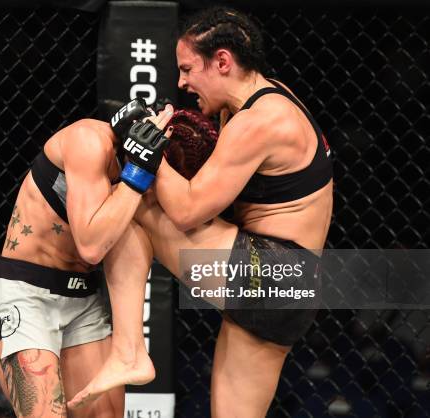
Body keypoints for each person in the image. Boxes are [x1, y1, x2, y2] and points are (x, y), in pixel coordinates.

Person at [69, 6, 333, 417]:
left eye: (189, 69)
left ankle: (128, 350)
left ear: (223, 61)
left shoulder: (261, 120)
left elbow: (187, 211)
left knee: (131, 203)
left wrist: (146, 150)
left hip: (267, 271)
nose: (182, 82)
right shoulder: (264, 100)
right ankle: (128, 351)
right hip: (292, 286)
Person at [0, 99, 174, 418]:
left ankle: (130, 353)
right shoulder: (88, 140)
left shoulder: (153, 175)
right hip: (27, 294)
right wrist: (139, 172)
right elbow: (91, 246)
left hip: (83, 300)